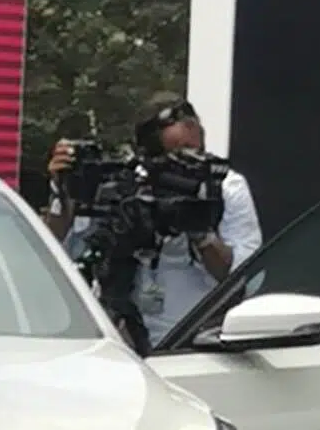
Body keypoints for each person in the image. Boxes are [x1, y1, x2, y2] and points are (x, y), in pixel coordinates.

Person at [41, 93, 263, 347]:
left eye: (197, 151)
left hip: (193, 344)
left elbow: (247, 279)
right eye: (179, 155)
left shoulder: (225, 187)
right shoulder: (128, 186)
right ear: (149, 157)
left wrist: (200, 229)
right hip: (122, 341)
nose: (193, 163)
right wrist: (64, 196)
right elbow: (60, 252)